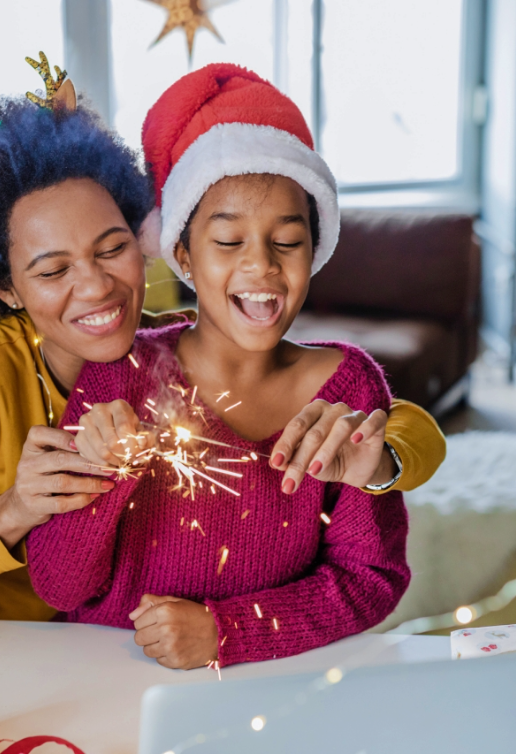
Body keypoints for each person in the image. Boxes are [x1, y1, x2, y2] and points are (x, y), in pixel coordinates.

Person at [0, 56, 443, 622]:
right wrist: (14, 512)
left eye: (112, 248)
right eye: (52, 270)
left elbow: (377, 415)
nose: (96, 288)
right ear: (6, 288)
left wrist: (390, 454)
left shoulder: (150, 351)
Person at [27, 63, 409, 669]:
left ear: (317, 248)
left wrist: (228, 633)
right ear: (182, 252)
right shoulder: (121, 374)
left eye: (287, 241)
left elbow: (371, 580)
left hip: (278, 690)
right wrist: (102, 476)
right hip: (112, 682)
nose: (261, 267)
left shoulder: (349, 389)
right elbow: (58, 585)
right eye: (228, 242)